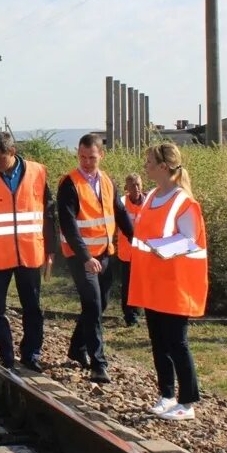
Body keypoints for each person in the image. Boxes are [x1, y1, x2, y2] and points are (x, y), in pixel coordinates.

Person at [128, 143, 208, 421]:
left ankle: (188, 402)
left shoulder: (183, 201)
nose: (145, 165)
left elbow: (189, 239)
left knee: (177, 342)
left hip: (175, 284)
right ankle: (166, 395)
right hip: (152, 283)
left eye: (149, 161)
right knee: (158, 341)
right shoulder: (151, 196)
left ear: (164, 167)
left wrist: (159, 247)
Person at [0, 132, 57, 373]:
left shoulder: (38, 173)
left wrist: (50, 249)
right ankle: (6, 356)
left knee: (33, 308)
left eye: (0, 159)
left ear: (12, 152)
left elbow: (49, 214)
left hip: (30, 253)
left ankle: (31, 354)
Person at [57, 133, 134, 384]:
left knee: (99, 306)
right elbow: (69, 225)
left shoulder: (108, 181)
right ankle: (99, 363)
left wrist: (138, 242)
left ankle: (76, 347)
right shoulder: (69, 184)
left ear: (101, 155)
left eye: (91, 157)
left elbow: (121, 214)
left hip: (105, 253)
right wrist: (86, 257)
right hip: (81, 256)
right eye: (82, 157)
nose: (87, 162)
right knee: (92, 305)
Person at [117, 173, 145, 327]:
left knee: (143, 283)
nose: (136, 188)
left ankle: (141, 312)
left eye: (139, 184)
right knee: (128, 286)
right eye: (133, 185)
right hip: (127, 252)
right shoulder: (121, 202)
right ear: (126, 188)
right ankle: (130, 317)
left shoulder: (148, 201)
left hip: (144, 252)